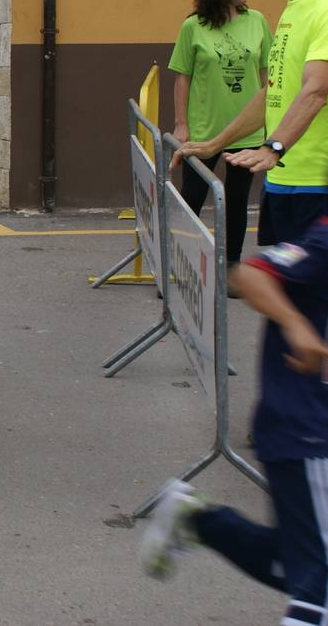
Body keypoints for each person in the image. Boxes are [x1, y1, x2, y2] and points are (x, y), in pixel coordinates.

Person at [139, 216, 328, 626]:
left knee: (295, 561)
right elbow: (251, 275)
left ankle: (200, 521)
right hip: (308, 432)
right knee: (320, 586)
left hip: (302, 431)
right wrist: (298, 327)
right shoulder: (324, 241)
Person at [174, 0, 328, 246]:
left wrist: (273, 147)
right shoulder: (294, 9)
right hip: (283, 180)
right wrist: (215, 144)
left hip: (315, 186)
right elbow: (272, 93)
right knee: (280, 278)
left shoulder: (324, 7)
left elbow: (317, 90)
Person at [170, 0, 272, 283]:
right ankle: (178, 265)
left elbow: (267, 75)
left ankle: (230, 269)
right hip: (204, 130)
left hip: (246, 132)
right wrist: (181, 124)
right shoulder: (194, 26)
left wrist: (270, 120)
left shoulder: (257, 21)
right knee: (192, 198)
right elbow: (182, 77)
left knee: (237, 201)